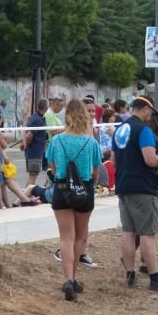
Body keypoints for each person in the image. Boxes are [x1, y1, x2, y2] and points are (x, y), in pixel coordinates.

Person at [113, 95, 158, 292]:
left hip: (123, 186)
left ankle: (130, 274)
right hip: (142, 187)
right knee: (147, 234)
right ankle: (155, 278)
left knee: (128, 232)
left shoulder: (119, 129)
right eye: (151, 112)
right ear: (146, 109)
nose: (151, 117)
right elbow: (149, 159)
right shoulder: (144, 131)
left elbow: (114, 162)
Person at [46, 99, 103, 301]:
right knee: (80, 237)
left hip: (62, 189)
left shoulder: (57, 140)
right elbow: (97, 170)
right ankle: (75, 277)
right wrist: (90, 184)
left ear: (66, 116)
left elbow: (52, 166)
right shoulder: (91, 142)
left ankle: (68, 279)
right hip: (84, 190)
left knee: (66, 238)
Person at [22, 98, 49, 186]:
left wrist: (25, 144)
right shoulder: (38, 120)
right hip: (35, 153)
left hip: (33, 152)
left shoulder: (34, 117)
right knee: (32, 176)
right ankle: (26, 197)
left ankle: (28, 196)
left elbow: (26, 133)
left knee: (33, 176)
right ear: (46, 107)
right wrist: (26, 145)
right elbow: (28, 135)